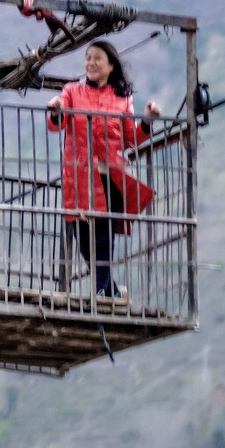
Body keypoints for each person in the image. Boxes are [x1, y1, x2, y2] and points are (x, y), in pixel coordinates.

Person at [46, 41, 161, 297]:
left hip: (109, 179)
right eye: (87, 58)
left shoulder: (122, 98)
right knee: (85, 244)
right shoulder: (72, 91)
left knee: (103, 238)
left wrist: (147, 121)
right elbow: (57, 123)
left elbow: (129, 138)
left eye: (97, 58)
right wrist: (56, 110)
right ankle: (113, 294)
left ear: (111, 65)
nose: (91, 63)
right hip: (79, 180)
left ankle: (100, 292)